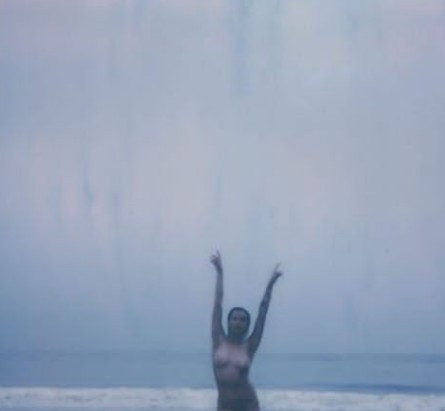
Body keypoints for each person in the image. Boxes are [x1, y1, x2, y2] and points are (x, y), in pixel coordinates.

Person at [210, 251, 282, 411]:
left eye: (242, 320)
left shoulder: (249, 346)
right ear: (228, 322)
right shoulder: (218, 339)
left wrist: (270, 284)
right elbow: (218, 302)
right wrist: (219, 272)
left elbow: (262, 313)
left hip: (248, 405)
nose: (238, 322)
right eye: (235, 318)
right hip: (224, 406)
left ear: (247, 325)